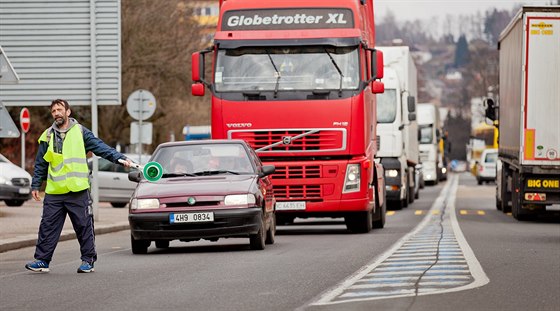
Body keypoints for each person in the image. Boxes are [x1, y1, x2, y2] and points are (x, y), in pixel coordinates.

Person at [25, 99, 132, 274]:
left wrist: (120, 159)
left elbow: (101, 148)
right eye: (53, 111)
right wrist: (36, 184)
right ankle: (42, 261)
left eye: (60, 109)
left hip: (78, 190)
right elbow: (40, 164)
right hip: (55, 191)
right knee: (47, 227)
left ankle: (87, 260)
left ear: (68, 112)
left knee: (83, 226)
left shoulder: (81, 132)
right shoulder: (47, 136)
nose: (57, 113)